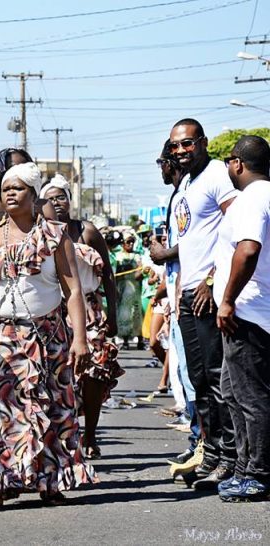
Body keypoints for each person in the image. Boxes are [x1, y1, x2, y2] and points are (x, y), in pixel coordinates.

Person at [0, 162, 95, 510]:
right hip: (0, 340)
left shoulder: (56, 235)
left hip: (48, 336)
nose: (9, 192)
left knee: (51, 410)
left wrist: (80, 338)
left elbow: (74, 291)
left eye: (18, 188)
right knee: (3, 411)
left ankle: (50, 481)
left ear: (34, 195)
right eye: (6, 187)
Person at [166, 118, 237, 489]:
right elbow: (190, 242)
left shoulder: (217, 176)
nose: (180, 151)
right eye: (175, 145)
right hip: (189, 294)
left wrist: (212, 279)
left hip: (211, 291)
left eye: (187, 143)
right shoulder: (186, 185)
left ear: (204, 142)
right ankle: (209, 452)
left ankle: (230, 457)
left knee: (215, 376)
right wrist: (180, 291)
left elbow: (236, 227)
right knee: (198, 380)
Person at [40, 174, 121, 460]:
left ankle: (91, 433)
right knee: (64, 376)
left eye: (61, 197)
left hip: (90, 310)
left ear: (70, 200)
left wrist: (113, 314)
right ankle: (66, 435)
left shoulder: (86, 231)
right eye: (49, 199)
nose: (56, 203)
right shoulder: (41, 235)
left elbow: (108, 274)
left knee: (95, 370)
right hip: (56, 311)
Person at [214, 135, 270, 502]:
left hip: (245, 314)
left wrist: (228, 300)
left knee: (251, 398)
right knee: (233, 393)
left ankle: (258, 473)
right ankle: (245, 467)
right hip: (250, 312)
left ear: (237, 163)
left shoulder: (252, 199)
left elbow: (248, 250)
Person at [149, 141, 200, 466]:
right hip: (179, 291)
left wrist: (165, 253)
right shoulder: (182, 192)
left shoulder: (192, 191)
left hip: (192, 291)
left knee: (197, 372)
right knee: (184, 365)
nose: (161, 169)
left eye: (161, 163)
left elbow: (197, 240)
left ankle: (202, 439)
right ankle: (198, 435)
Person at [114, 232, 143, 350]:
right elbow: (116, 273)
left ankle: (140, 340)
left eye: (132, 242)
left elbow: (140, 272)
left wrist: (138, 271)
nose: (131, 244)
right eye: (128, 242)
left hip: (135, 289)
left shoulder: (137, 256)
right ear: (122, 244)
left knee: (137, 313)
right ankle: (125, 340)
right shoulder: (118, 256)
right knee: (125, 314)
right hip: (123, 288)